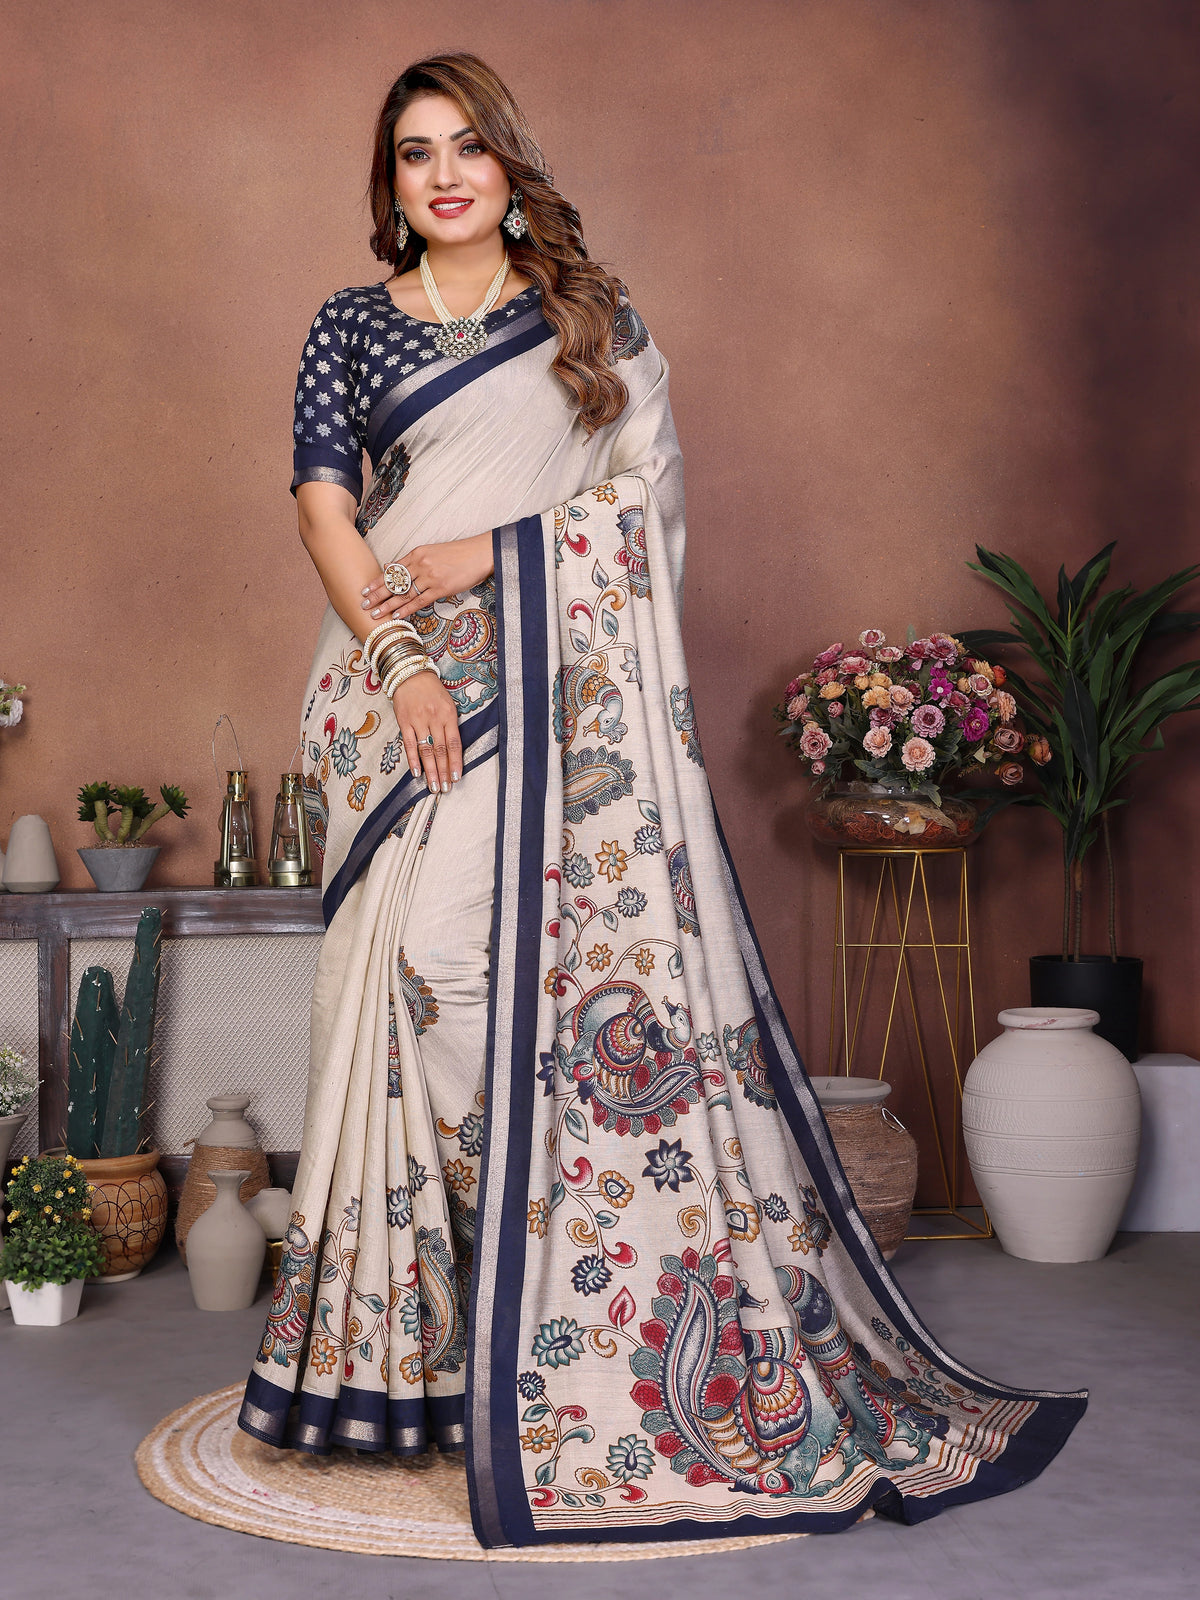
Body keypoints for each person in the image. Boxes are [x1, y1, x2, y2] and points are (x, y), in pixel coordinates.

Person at [238, 52, 1084, 1550]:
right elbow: (322, 504)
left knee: (464, 971)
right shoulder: (353, 327)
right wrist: (401, 658)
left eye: (467, 149)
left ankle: (557, 1288)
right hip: (400, 692)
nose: (442, 175)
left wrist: (497, 553)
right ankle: (453, 1337)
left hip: (563, 698)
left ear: (509, 164)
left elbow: (642, 505)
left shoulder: (589, 320)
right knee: (397, 988)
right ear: (391, 187)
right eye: (413, 156)